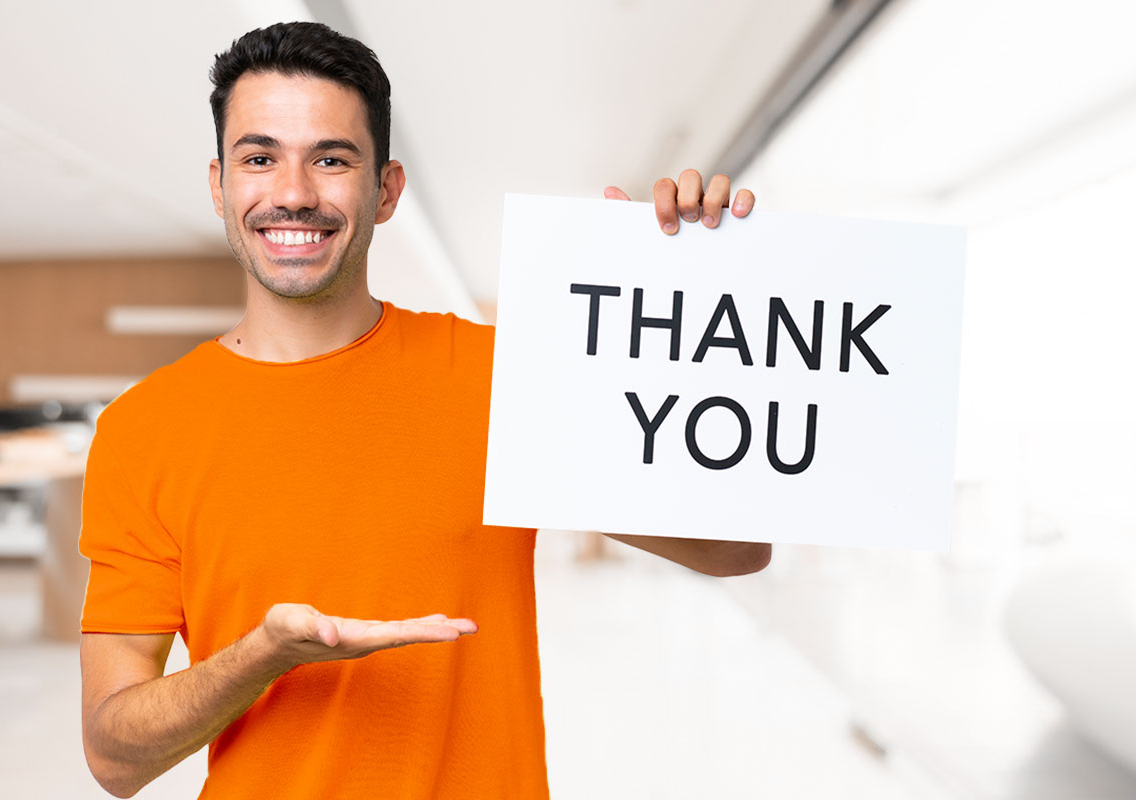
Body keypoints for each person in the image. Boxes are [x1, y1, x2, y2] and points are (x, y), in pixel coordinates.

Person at [77, 21, 769, 799]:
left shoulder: (500, 377)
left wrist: (699, 293)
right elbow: (113, 756)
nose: (294, 192)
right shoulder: (144, 430)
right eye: (260, 157)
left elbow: (735, 548)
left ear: (386, 189)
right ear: (219, 185)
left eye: (331, 159)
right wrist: (261, 655)